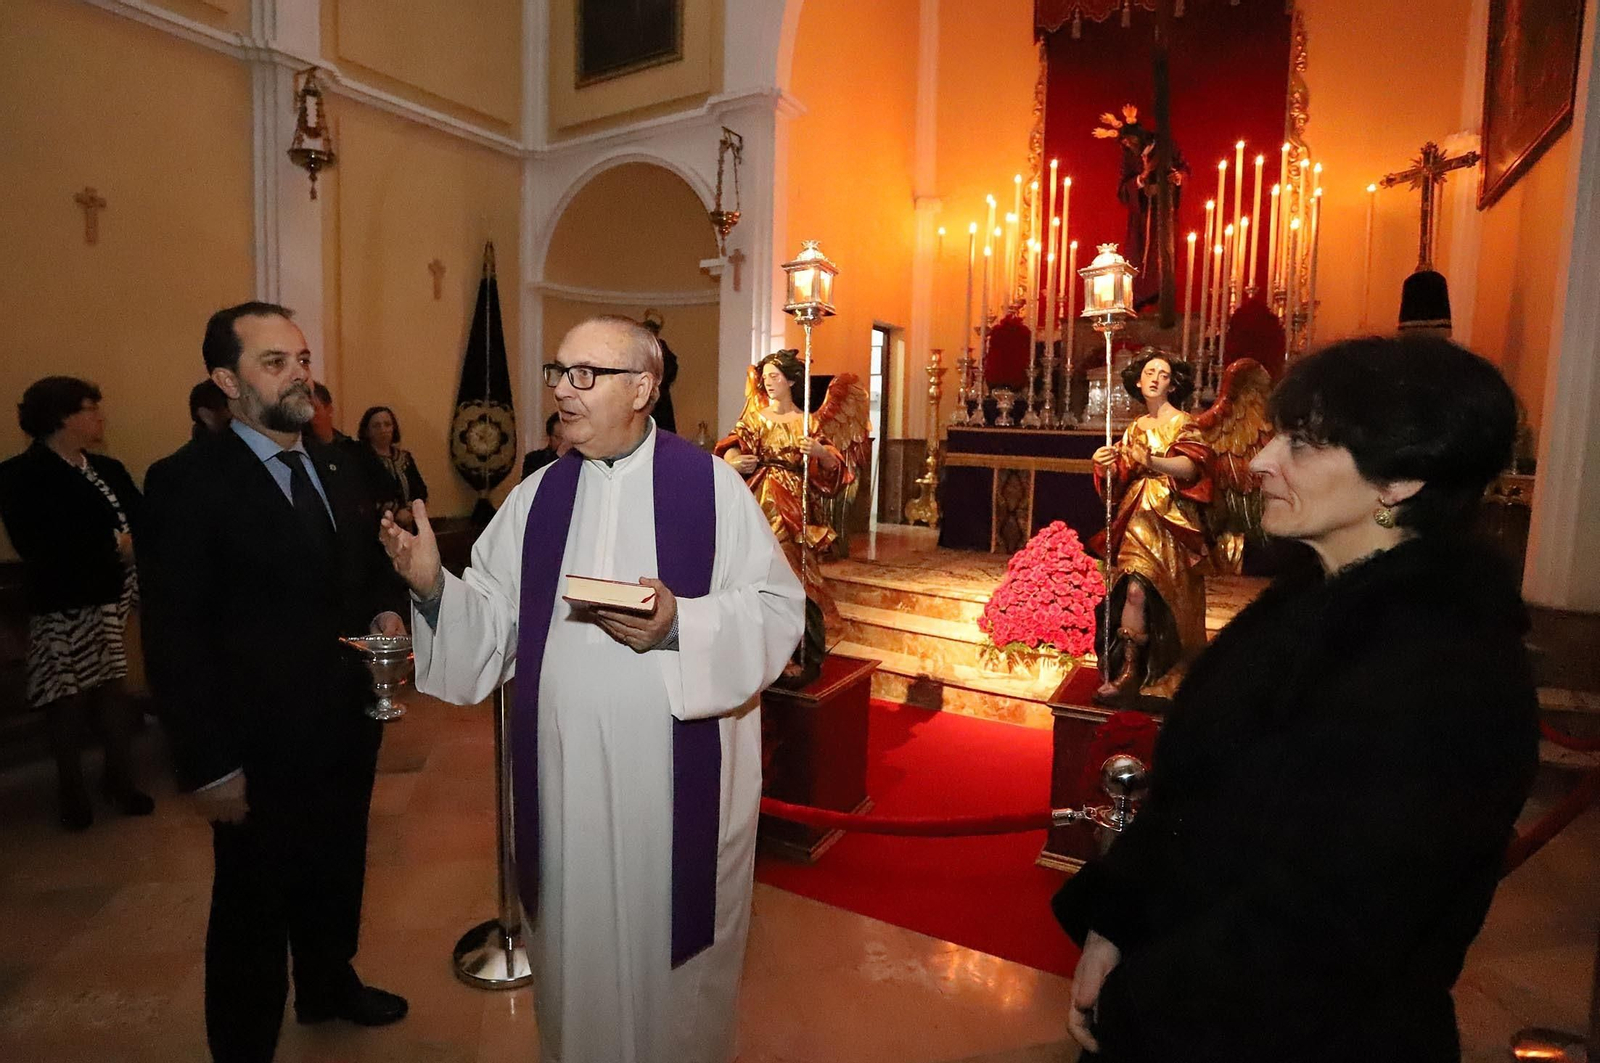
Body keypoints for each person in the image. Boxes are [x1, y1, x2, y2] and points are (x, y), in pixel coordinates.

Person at [1054, 335, 1539, 1063]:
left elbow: (1330, 933)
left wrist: (1144, 1004)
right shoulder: (1306, 601)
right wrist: (1113, 925)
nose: (1259, 461)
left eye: (1303, 444)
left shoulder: (1447, 668)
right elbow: (1192, 806)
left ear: (1400, 479)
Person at [380, 315, 804, 1063]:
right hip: (566, 788)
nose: (561, 391)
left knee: (670, 977)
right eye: (557, 371)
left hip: (672, 793)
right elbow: (490, 620)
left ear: (642, 387)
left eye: (585, 374)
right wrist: (432, 586)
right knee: (579, 970)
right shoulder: (537, 498)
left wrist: (683, 624)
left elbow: (777, 609)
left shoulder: (710, 488)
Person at [141, 301, 409, 1063]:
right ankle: (244, 1043)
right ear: (226, 380)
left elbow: (364, 571)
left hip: (343, 720)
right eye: (275, 361)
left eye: (302, 357)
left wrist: (386, 611)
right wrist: (208, 763)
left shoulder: (337, 461)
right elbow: (174, 635)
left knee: (337, 865)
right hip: (254, 743)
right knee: (252, 906)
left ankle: (328, 983)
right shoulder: (185, 482)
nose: (300, 373)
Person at [0, 377, 152, 830]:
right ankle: (72, 789)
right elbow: (36, 541)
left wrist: (131, 544)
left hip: (111, 597)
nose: (100, 417)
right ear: (62, 416)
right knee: (66, 697)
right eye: (90, 408)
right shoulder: (18, 475)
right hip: (63, 601)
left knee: (111, 690)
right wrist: (113, 543)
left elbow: (142, 518)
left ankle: (119, 780)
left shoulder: (108, 468)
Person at [714, 349, 852, 684]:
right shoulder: (756, 418)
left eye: (775, 377)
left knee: (799, 572)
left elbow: (834, 468)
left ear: (791, 380)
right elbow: (731, 444)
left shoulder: (808, 422)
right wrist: (734, 461)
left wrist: (820, 453)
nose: (768, 383)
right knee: (762, 571)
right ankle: (761, 646)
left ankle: (801, 649)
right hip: (762, 498)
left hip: (797, 503)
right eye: (765, 378)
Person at [1091, 353, 1212, 701]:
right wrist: (1105, 466)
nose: (1156, 378)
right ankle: (1129, 669)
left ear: (1172, 384)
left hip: (1170, 519)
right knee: (1133, 590)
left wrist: (1152, 460)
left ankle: (1169, 667)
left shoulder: (1184, 422)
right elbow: (1120, 474)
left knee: (1168, 596)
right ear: (1139, 382)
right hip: (1136, 516)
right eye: (1149, 372)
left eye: (1163, 373)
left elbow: (1191, 468)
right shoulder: (1134, 427)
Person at [358, 405, 427, 530]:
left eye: (387, 424)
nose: (383, 429)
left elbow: (421, 491)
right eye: (376, 426)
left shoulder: (405, 458)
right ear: (367, 431)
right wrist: (395, 512)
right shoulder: (361, 460)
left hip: (409, 528)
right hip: (376, 530)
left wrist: (410, 510)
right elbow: (364, 496)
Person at [520, 411, 568, 479]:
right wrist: (557, 457)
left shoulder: (580, 459)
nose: (564, 443)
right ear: (549, 437)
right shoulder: (534, 460)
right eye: (559, 438)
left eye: (568, 439)